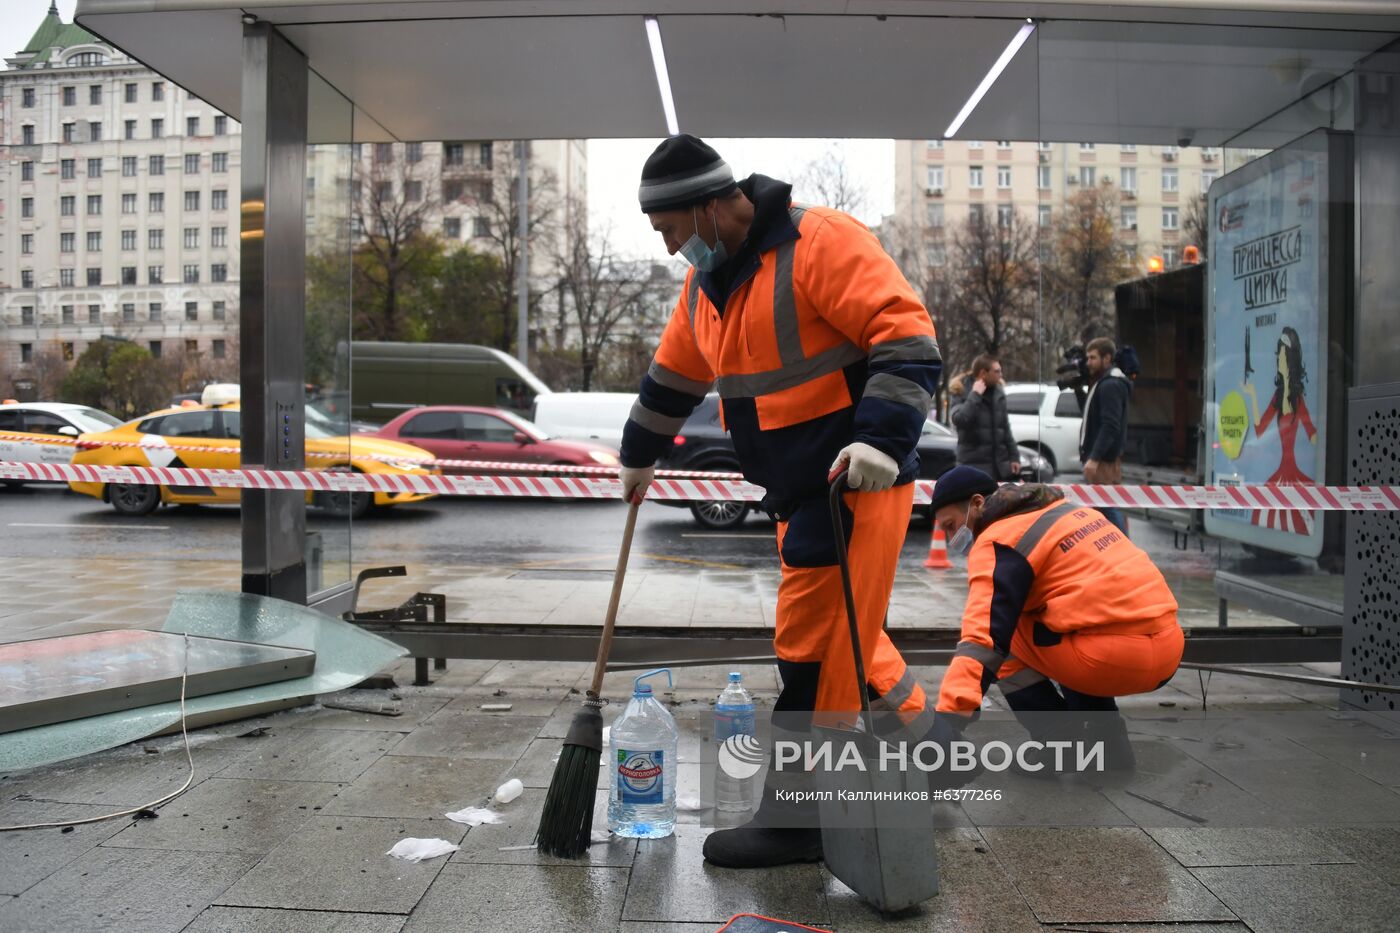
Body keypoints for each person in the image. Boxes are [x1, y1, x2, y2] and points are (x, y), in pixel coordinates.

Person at [617, 135, 942, 868]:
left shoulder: (818, 242)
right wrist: (638, 456)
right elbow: (671, 379)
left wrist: (882, 440)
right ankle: (929, 761)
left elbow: (907, 333)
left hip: (853, 486)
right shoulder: (707, 288)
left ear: (706, 207)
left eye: (671, 231)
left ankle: (799, 822)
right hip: (798, 498)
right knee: (845, 649)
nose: (673, 250)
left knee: (813, 659)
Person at [927, 465, 1184, 773]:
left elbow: (982, 638)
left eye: (952, 525)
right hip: (1169, 647)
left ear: (978, 503)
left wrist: (948, 719)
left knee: (1008, 635)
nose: (953, 538)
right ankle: (1109, 746)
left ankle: (1058, 742)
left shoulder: (997, 540)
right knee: (1066, 620)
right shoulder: (1070, 511)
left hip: (1114, 659)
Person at [1242, 326, 1317, 536]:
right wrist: (1252, 395)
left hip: (1293, 471)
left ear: (1291, 361)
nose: (1280, 361)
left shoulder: (1298, 399)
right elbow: (1259, 428)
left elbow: (1312, 432)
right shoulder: (1277, 396)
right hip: (1281, 472)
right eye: (1279, 357)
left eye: (1283, 357)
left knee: (1302, 516)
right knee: (1265, 515)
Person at [1079, 337, 1132, 535]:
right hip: (1102, 459)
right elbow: (1092, 416)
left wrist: (1094, 458)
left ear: (1107, 358)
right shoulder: (1105, 382)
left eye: (1093, 358)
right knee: (1103, 508)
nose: (1088, 363)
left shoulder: (1110, 385)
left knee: (1107, 507)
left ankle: (1124, 550)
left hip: (1103, 462)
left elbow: (1110, 425)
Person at [950, 354, 1020, 481]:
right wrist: (975, 395)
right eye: (997, 371)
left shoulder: (998, 393)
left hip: (999, 469)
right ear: (983, 373)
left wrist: (1014, 457)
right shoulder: (961, 390)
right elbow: (959, 420)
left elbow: (1004, 428)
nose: (1001, 375)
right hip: (972, 467)